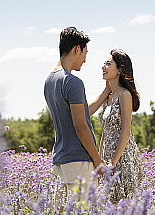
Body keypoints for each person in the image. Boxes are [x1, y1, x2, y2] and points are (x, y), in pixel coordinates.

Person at [44, 27, 109, 197]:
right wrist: (97, 160)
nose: (85, 60)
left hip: (60, 162)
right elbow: (80, 125)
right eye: (85, 53)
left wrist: (105, 92)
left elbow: (82, 113)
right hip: (79, 162)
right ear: (77, 49)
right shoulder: (73, 82)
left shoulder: (49, 81)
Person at [89, 48, 145, 202]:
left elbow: (126, 131)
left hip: (123, 158)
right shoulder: (108, 97)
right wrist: (98, 161)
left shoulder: (124, 95)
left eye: (108, 63)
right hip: (107, 159)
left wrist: (113, 162)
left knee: (124, 206)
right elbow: (105, 133)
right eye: (104, 63)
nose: (103, 67)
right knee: (109, 206)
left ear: (120, 69)